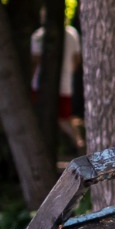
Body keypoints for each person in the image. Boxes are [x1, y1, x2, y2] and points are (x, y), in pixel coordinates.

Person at [31, 19, 85, 153]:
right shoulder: (72, 33)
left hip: (40, 85)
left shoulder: (38, 36)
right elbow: (76, 59)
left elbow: (36, 61)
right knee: (64, 118)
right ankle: (79, 143)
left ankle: (43, 150)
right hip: (65, 83)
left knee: (46, 116)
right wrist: (68, 72)